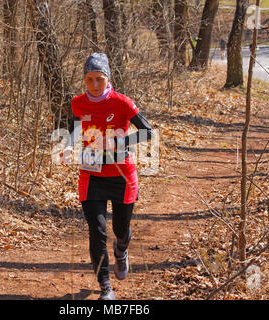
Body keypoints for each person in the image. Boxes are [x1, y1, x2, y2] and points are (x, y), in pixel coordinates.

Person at [60, 53, 153, 300]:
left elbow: (148, 132)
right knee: (97, 230)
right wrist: (69, 146)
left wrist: (121, 142)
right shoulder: (78, 103)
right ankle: (106, 288)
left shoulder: (122, 103)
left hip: (122, 175)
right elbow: (74, 129)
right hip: (91, 176)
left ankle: (121, 251)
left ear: (107, 78)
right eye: (89, 79)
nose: (94, 85)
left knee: (120, 229)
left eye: (99, 79)